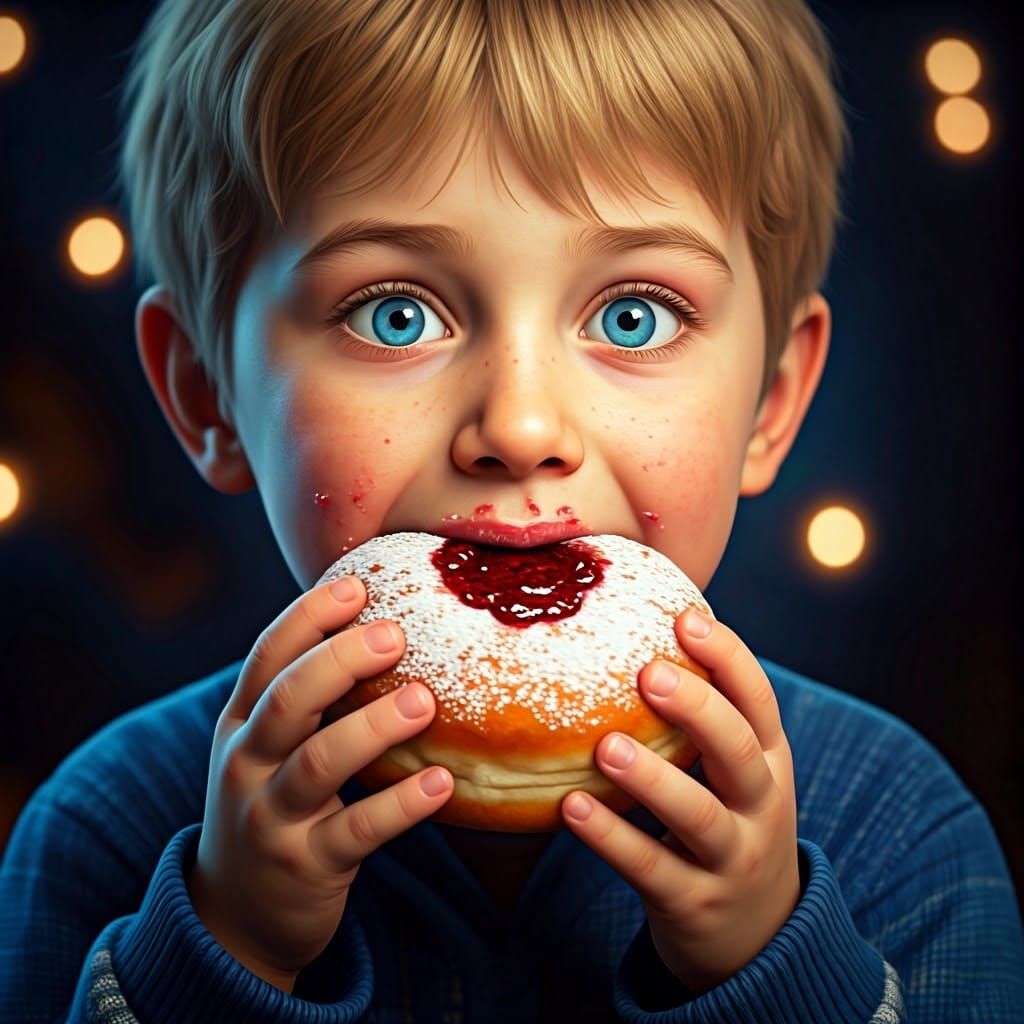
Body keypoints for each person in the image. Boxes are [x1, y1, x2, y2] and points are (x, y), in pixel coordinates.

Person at [2, 0, 1022, 1019]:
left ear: (772, 398)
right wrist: (224, 953)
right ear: (206, 393)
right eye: (393, 314)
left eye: (634, 314)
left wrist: (774, 974)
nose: (521, 423)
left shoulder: (902, 835)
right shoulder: (106, 830)